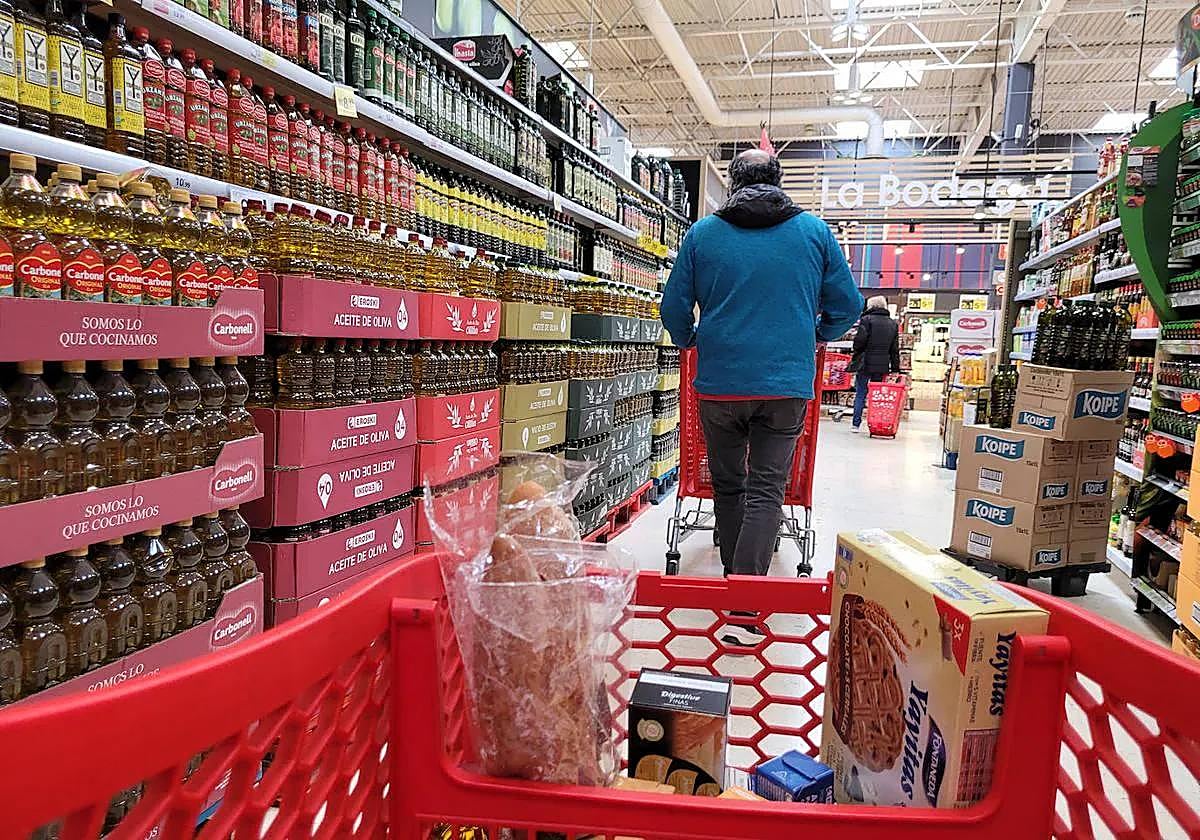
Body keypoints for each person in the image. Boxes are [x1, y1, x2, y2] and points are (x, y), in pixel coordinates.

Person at [660, 149, 862, 588]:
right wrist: (817, 334)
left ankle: (735, 583)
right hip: (785, 386)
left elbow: (673, 307)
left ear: (733, 183)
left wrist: (691, 339)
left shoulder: (703, 234)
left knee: (728, 486)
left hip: (720, 384)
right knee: (767, 489)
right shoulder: (814, 231)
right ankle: (747, 596)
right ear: (779, 180)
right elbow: (849, 305)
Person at [850, 295, 901, 432]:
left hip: (865, 362)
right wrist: (896, 368)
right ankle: (875, 422)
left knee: (861, 392)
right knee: (877, 395)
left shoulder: (866, 320)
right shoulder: (892, 324)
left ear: (871, 306)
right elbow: (894, 349)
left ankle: (856, 424)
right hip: (882, 365)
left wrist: (856, 352)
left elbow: (860, 341)